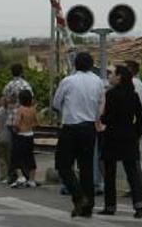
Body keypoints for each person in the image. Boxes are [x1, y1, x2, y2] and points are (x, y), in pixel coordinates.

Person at [52, 51, 105, 218]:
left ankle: (78, 196)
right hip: (89, 128)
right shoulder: (98, 81)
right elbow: (100, 103)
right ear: (91, 65)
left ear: (75, 64)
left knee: (63, 165)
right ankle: (88, 207)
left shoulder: (68, 81)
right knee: (86, 168)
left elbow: (56, 103)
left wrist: (68, 111)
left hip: (71, 127)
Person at [99, 65, 142, 218]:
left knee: (110, 173)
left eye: (112, 74)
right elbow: (141, 116)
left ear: (119, 77)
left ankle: (110, 205)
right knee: (132, 172)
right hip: (129, 137)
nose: (110, 76)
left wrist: (102, 117)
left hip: (112, 136)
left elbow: (108, 117)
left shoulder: (111, 94)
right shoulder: (133, 95)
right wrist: (136, 131)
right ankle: (138, 205)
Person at [124, 60, 142, 200]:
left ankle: (141, 188)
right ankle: (137, 187)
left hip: (130, 125)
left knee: (132, 159)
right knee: (134, 158)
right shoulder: (141, 84)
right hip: (137, 125)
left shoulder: (132, 85)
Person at [2, 64, 31, 185]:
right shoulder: (26, 85)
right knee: (25, 149)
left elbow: (4, 102)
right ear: (22, 71)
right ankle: (26, 174)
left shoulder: (8, 85)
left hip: (11, 119)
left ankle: (13, 175)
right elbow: (31, 100)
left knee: (13, 149)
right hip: (24, 120)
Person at [10, 89, 38, 188]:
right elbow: (36, 123)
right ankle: (32, 179)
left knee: (16, 156)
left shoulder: (20, 110)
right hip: (30, 134)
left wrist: (14, 129)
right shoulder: (33, 109)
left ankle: (20, 176)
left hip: (21, 135)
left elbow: (16, 123)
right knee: (30, 157)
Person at [0, 96, 12, 183]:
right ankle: (10, 175)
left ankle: (3, 176)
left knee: (1, 158)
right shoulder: (13, 112)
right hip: (10, 137)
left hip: (0, 136)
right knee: (9, 158)